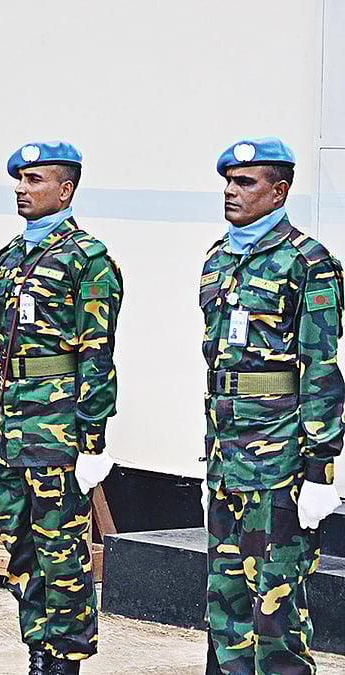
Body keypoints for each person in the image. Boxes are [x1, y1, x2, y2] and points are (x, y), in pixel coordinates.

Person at [202, 138, 343, 674]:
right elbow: (217, 368)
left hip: (279, 460)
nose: (231, 192)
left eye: (246, 182)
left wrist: (320, 470)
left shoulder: (309, 262)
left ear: (279, 190)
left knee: (276, 608)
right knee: (227, 602)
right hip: (225, 460)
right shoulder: (218, 259)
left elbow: (321, 368)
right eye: (228, 182)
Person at [0, 142, 122, 675]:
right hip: (14, 424)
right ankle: (37, 646)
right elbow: (2, 352)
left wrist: (92, 441)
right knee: (19, 544)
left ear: (64, 189)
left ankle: (65, 657)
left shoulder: (88, 258)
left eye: (34, 179)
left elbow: (97, 354)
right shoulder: (11, 257)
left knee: (61, 547)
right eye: (18, 179)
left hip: (59, 426)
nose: (21, 188)